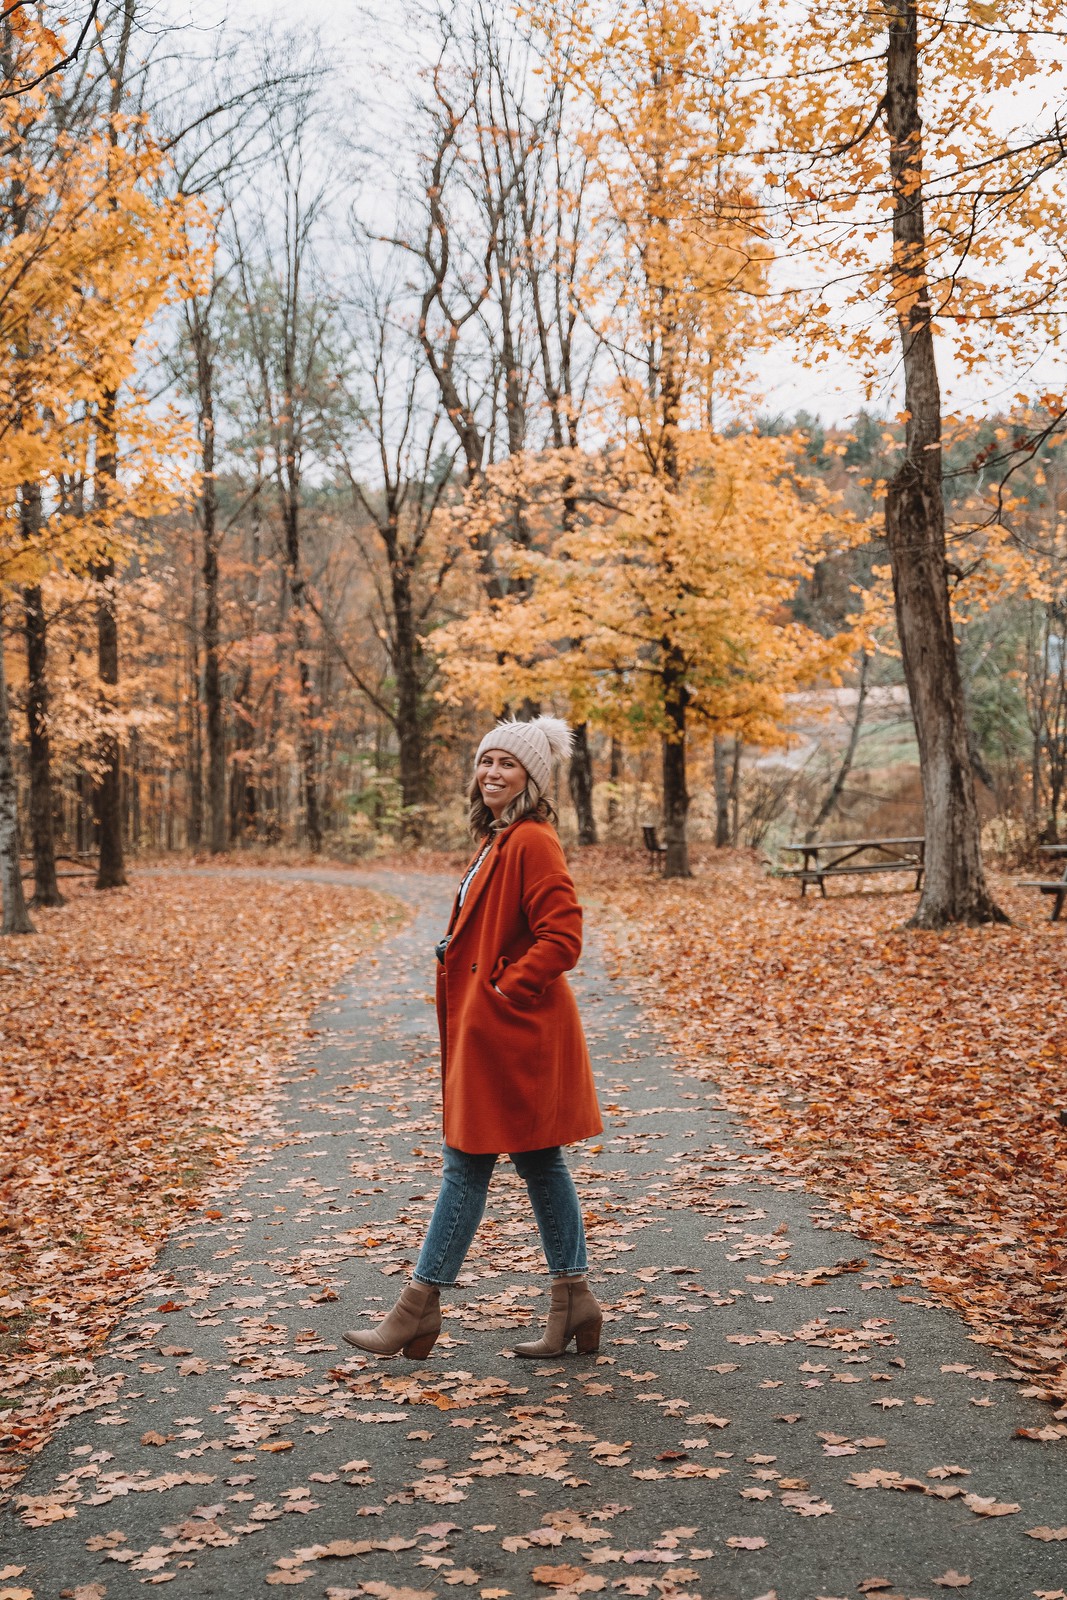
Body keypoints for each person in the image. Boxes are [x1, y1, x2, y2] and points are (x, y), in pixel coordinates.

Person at [343, 714, 604, 1361]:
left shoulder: (532, 841)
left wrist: (504, 987)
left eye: (506, 764)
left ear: (530, 778)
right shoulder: (499, 838)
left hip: (513, 1034)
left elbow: (563, 936)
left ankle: (417, 1309)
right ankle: (573, 1300)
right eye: (485, 761)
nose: (491, 773)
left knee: (465, 1166)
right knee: (539, 1161)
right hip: (494, 1036)